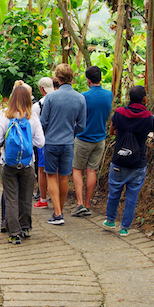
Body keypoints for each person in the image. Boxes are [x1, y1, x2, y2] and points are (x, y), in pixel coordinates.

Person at [0, 82, 45, 244]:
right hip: (28, 163)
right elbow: (41, 142)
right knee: (25, 196)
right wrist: (28, 144)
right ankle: (25, 228)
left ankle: (14, 233)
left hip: (7, 164)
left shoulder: (4, 115)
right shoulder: (33, 117)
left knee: (11, 197)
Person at [103, 85, 154, 235]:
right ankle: (125, 228)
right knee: (132, 197)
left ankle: (110, 221)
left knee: (114, 193)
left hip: (119, 160)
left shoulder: (119, 113)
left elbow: (112, 131)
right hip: (138, 163)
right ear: (144, 99)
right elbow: (148, 135)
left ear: (129, 97)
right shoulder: (148, 117)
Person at [39, 63, 86, 225]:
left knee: (51, 175)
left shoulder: (51, 97)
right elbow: (81, 125)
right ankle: (60, 210)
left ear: (58, 79)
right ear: (71, 78)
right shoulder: (80, 98)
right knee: (64, 177)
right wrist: (70, 133)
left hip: (51, 142)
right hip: (68, 143)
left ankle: (58, 213)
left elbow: (43, 122)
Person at [71, 66, 113, 217]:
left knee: (77, 169)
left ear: (88, 80)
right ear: (100, 78)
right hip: (100, 138)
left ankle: (80, 203)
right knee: (91, 170)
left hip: (83, 138)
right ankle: (88, 204)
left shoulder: (83, 96)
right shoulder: (109, 95)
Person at [32, 77, 55, 209]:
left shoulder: (38, 105)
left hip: (43, 141)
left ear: (41, 89)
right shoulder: (59, 100)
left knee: (42, 171)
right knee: (56, 171)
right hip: (59, 139)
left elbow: (35, 126)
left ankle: (43, 198)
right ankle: (55, 195)